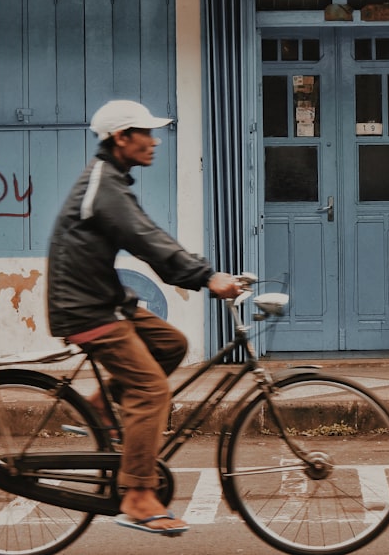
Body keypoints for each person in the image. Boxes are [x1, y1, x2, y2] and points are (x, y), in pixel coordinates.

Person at [46, 99, 242, 536]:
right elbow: (145, 240)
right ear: (121, 138)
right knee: (151, 390)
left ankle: (99, 405)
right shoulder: (104, 186)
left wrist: (202, 272)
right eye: (146, 133)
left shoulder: (111, 180)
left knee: (172, 345)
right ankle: (136, 495)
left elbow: (148, 232)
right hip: (86, 308)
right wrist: (206, 277)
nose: (154, 141)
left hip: (105, 299)